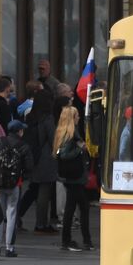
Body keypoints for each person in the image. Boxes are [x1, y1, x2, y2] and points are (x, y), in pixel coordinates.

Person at [14, 84, 56, 233]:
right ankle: (41, 224)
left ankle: (17, 216)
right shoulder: (48, 118)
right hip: (45, 158)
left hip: (33, 155)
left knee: (33, 189)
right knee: (44, 189)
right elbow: (52, 139)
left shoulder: (32, 115)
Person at [52, 106, 93, 252]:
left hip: (71, 177)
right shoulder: (70, 135)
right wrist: (80, 149)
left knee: (73, 208)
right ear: (72, 118)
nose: (79, 118)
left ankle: (71, 240)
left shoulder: (62, 133)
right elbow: (64, 155)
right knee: (81, 208)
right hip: (75, 177)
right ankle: (81, 241)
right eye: (77, 116)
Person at [0, 120, 32, 257]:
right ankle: (9, 247)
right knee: (11, 214)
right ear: (19, 131)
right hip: (15, 184)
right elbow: (29, 167)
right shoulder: (24, 146)